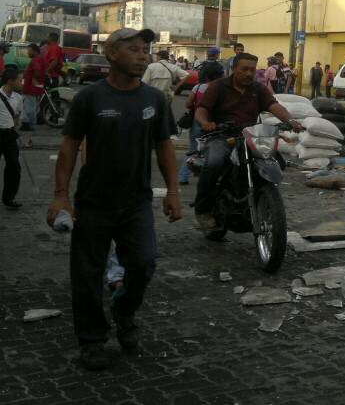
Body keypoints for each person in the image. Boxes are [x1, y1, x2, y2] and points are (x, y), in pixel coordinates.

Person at [46, 27, 181, 371]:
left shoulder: (154, 99)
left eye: (145, 50)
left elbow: (164, 145)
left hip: (136, 202)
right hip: (93, 203)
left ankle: (124, 309)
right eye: (133, 49)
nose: (142, 55)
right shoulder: (90, 98)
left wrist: (174, 192)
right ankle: (92, 340)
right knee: (87, 274)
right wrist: (61, 197)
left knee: (144, 262)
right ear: (111, 55)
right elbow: (69, 147)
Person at [192, 53, 303, 231]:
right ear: (234, 69)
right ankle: (203, 209)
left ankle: (259, 198)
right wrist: (206, 123)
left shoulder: (258, 89)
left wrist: (291, 121)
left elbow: (274, 106)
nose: (248, 74)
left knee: (277, 161)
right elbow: (201, 110)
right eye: (244, 69)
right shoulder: (218, 86)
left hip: (250, 134)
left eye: (252, 70)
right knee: (214, 162)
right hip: (221, 135)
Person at [178, 61, 223, 186]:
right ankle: (208, 178)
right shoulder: (220, 89)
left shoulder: (197, 87)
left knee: (193, 150)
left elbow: (187, 104)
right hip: (214, 123)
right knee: (212, 151)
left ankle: (183, 177)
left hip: (196, 122)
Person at [1, 68, 23, 208]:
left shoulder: (18, 98)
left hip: (9, 135)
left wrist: (16, 125)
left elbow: (17, 116)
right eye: (19, 80)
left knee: (14, 167)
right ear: (10, 81)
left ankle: (8, 198)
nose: (21, 83)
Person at [21, 43, 46, 137]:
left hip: (30, 87)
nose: (27, 52)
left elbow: (37, 70)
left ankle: (28, 123)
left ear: (34, 51)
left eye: (29, 50)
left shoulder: (36, 59)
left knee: (28, 106)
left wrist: (33, 79)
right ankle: (28, 123)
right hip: (33, 87)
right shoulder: (40, 58)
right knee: (31, 105)